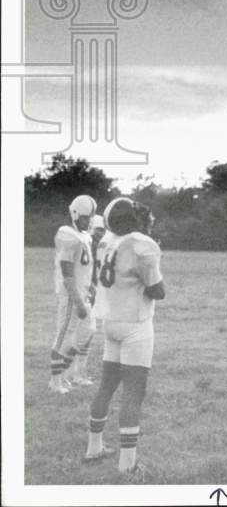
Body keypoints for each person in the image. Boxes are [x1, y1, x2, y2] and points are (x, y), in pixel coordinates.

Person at [84, 197, 165, 475]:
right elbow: (158, 291)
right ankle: (127, 465)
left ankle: (94, 447)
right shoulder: (142, 244)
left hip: (111, 321)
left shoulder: (108, 240)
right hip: (135, 324)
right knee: (133, 392)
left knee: (107, 386)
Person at [51, 195, 97, 393]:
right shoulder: (67, 235)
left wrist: (90, 287)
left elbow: (83, 268)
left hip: (82, 293)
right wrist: (78, 301)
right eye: (86, 217)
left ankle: (66, 374)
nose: (89, 221)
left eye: (90, 218)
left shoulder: (84, 236)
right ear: (75, 214)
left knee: (87, 331)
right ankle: (55, 381)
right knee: (64, 336)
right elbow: (67, 273)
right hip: (71, 296)